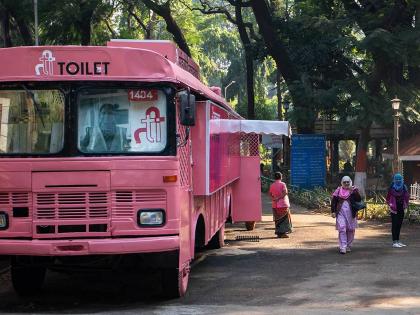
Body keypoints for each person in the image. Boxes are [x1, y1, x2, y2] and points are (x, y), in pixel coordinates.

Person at [331, 176, 362, 254]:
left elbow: (359, 199)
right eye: (344, 182)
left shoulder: (353, 190)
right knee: (342, 228)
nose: (346, 183)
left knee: (350, 230)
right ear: (342, 183)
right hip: (340, 213)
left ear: (350, 182)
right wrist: (333, 211)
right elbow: (334, 201)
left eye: (348, 182)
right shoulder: (338, 190)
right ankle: (343, 247)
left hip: (351, 214)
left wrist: (354, 191)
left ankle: (348, 245)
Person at [386, 173, 410, 248]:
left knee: (399, 225)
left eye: (400, 179)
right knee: (395, 225)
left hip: (401, 208)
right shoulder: (391, 187)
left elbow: (407, 196)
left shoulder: (404, 187)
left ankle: (398, 241)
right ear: (394, 180)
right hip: (394, 208)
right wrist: (390, 205)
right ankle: (394, 242)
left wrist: (406, 203)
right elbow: (388, 197)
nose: (398, 180)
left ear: (402, 179)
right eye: (397, 179)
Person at [269, 172, 292, 238]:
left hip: (275, 205)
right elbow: (285, 193)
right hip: (283, 204)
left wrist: (274, 198)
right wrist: (279, 198)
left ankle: (279, 233)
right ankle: (283, 233)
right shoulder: (283, 184)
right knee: (284, 219)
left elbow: (270, 194)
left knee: (277, 219)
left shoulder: (272, 185)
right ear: (281, 177)